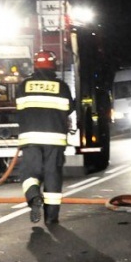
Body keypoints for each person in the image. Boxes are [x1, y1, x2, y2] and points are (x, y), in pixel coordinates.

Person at [16, 50, 75, 225]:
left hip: (30, 139)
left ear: (35, 65)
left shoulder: (24, 86)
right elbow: (69, 109)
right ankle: (51, 217)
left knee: (29, 173)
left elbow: (19, 109)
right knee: (52, 175)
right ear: (54, 65)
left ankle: (34, 196)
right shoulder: (61, 86)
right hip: (54, 140)